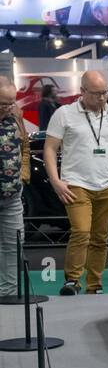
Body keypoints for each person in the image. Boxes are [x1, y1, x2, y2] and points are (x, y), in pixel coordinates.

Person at [43, 71, 108, 295]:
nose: (102, 98)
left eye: (105, 93)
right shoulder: (64, 114)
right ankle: (72, 280)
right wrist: (55, 181)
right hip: (76, 184)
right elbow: (50, 149)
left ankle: (95, 285)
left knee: (100, 238)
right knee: (81, 232)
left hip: (107, 186)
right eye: (96, 94)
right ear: (82, 92)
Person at [0, 77, 31, 298]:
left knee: (15, 245)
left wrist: (24, 174)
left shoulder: (15, 114)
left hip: (12, 196)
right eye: (4, 104)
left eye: (12, 102)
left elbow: (25, 145)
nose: (9, 108)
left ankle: (7, 295)